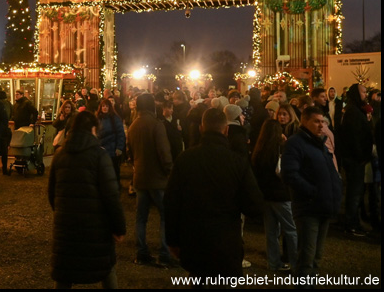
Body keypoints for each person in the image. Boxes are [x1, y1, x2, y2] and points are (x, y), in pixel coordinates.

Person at [166, 107, 264, 279]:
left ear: (201, 128)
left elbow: (171, 202)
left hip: (194, 239)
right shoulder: (237, 162)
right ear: (226, 130)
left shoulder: (186, 159)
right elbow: (254, 206)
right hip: (226, 241)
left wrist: (172, 240)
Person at [49, 111, 126, 288]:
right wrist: (118, 227)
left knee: (64, 273)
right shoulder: (100, 156)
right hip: (96, 228)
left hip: (66, 227)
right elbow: (111, 195)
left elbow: (52, 193)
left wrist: (63, 212)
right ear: (93, 129)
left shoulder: (60, 155)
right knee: (106, 269)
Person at [282, 106, 343, 281]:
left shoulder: (319, 143)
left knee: (316, 256)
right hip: (309, 208)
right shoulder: (295, 143)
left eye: (323, 122)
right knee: (306, 258)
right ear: (304, 121)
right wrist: (312, 192)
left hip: (323, 205)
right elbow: (289, 174)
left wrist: (336, 185)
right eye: (316, 121)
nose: (321, 125)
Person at [126, 93, 175, 267]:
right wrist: (169, 171)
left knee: (141, 217)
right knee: (165, 216)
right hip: (158, 179)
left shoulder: (133, 126)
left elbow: (130, 153)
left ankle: (141, 251)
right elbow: (164, 153)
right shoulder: (156, 125)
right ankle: (164, 253)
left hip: (140, 177)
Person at [252, 119, 297, 272]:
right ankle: (296, 263)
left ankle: (273, 263)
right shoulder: (279, 149)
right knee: (291, 230)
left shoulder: (259, 150)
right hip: (281, 195)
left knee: (271, 232)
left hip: (265, 195)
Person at [336, 83, 373, 236]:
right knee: (354, 193)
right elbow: (353, 137)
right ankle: (351, 224)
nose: (366, 95)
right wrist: (360, 156)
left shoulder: (357, 109)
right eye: (363, 92)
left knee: (356, 192)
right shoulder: (353, 111)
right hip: (354, 159)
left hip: (356, 158)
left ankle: (354, 221)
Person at [97, 97, 126, 188]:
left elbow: (120, 134)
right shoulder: (98, 118)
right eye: (103, 106)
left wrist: (119, 147)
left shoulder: (115, 118)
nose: (105, 108)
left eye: (106, 106)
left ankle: (115, 186)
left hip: (112, 149)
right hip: (101, 149)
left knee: (113, 170)